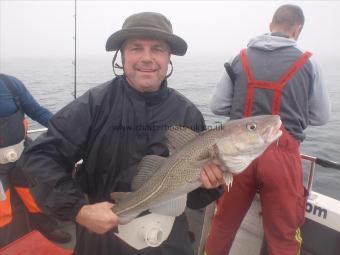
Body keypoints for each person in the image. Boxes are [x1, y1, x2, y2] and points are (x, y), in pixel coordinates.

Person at [20, 12, 224, 255]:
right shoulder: (93, 105)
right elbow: (38, 157)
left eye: (157, 49)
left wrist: (210, 185)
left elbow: (194, 199)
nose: (147, 58)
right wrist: (79, 210)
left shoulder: (188, 114)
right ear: (122, 55)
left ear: (169, 57)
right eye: (136, 48)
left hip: (168, 242)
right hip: (104, 239)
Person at [205, 4, 330, 255]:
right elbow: (321, 116)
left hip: (238, 155)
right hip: (283, 157)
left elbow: (217, 106)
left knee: (222, 226)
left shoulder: (239, 58)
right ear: (298, 29)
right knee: (283, 237)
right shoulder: (309, 63)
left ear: (270, 24)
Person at [0, 73, 71, 246]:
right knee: (2, 211)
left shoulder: (10, 84)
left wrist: (66, 131)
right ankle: (7, 245)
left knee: (34, 194)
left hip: (20, 154)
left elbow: (37, 111)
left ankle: (48, 228)